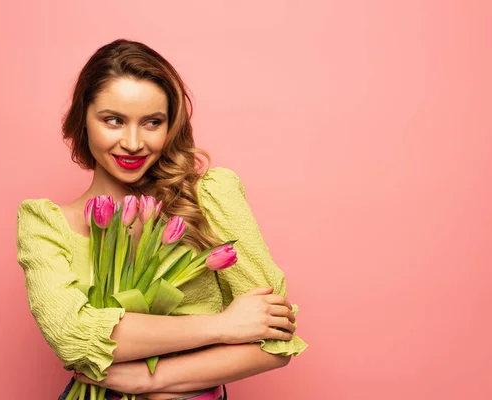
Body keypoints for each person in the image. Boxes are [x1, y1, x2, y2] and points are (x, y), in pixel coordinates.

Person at [16, 39, 307, 400]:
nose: (134, 143)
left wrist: (150, 379)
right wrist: (223, 326)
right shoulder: (46, 224)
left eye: (152, 122)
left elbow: (275, 340)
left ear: (171, 127)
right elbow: (73, 337)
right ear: (83, 120)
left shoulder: (208, 198)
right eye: (113, 121)